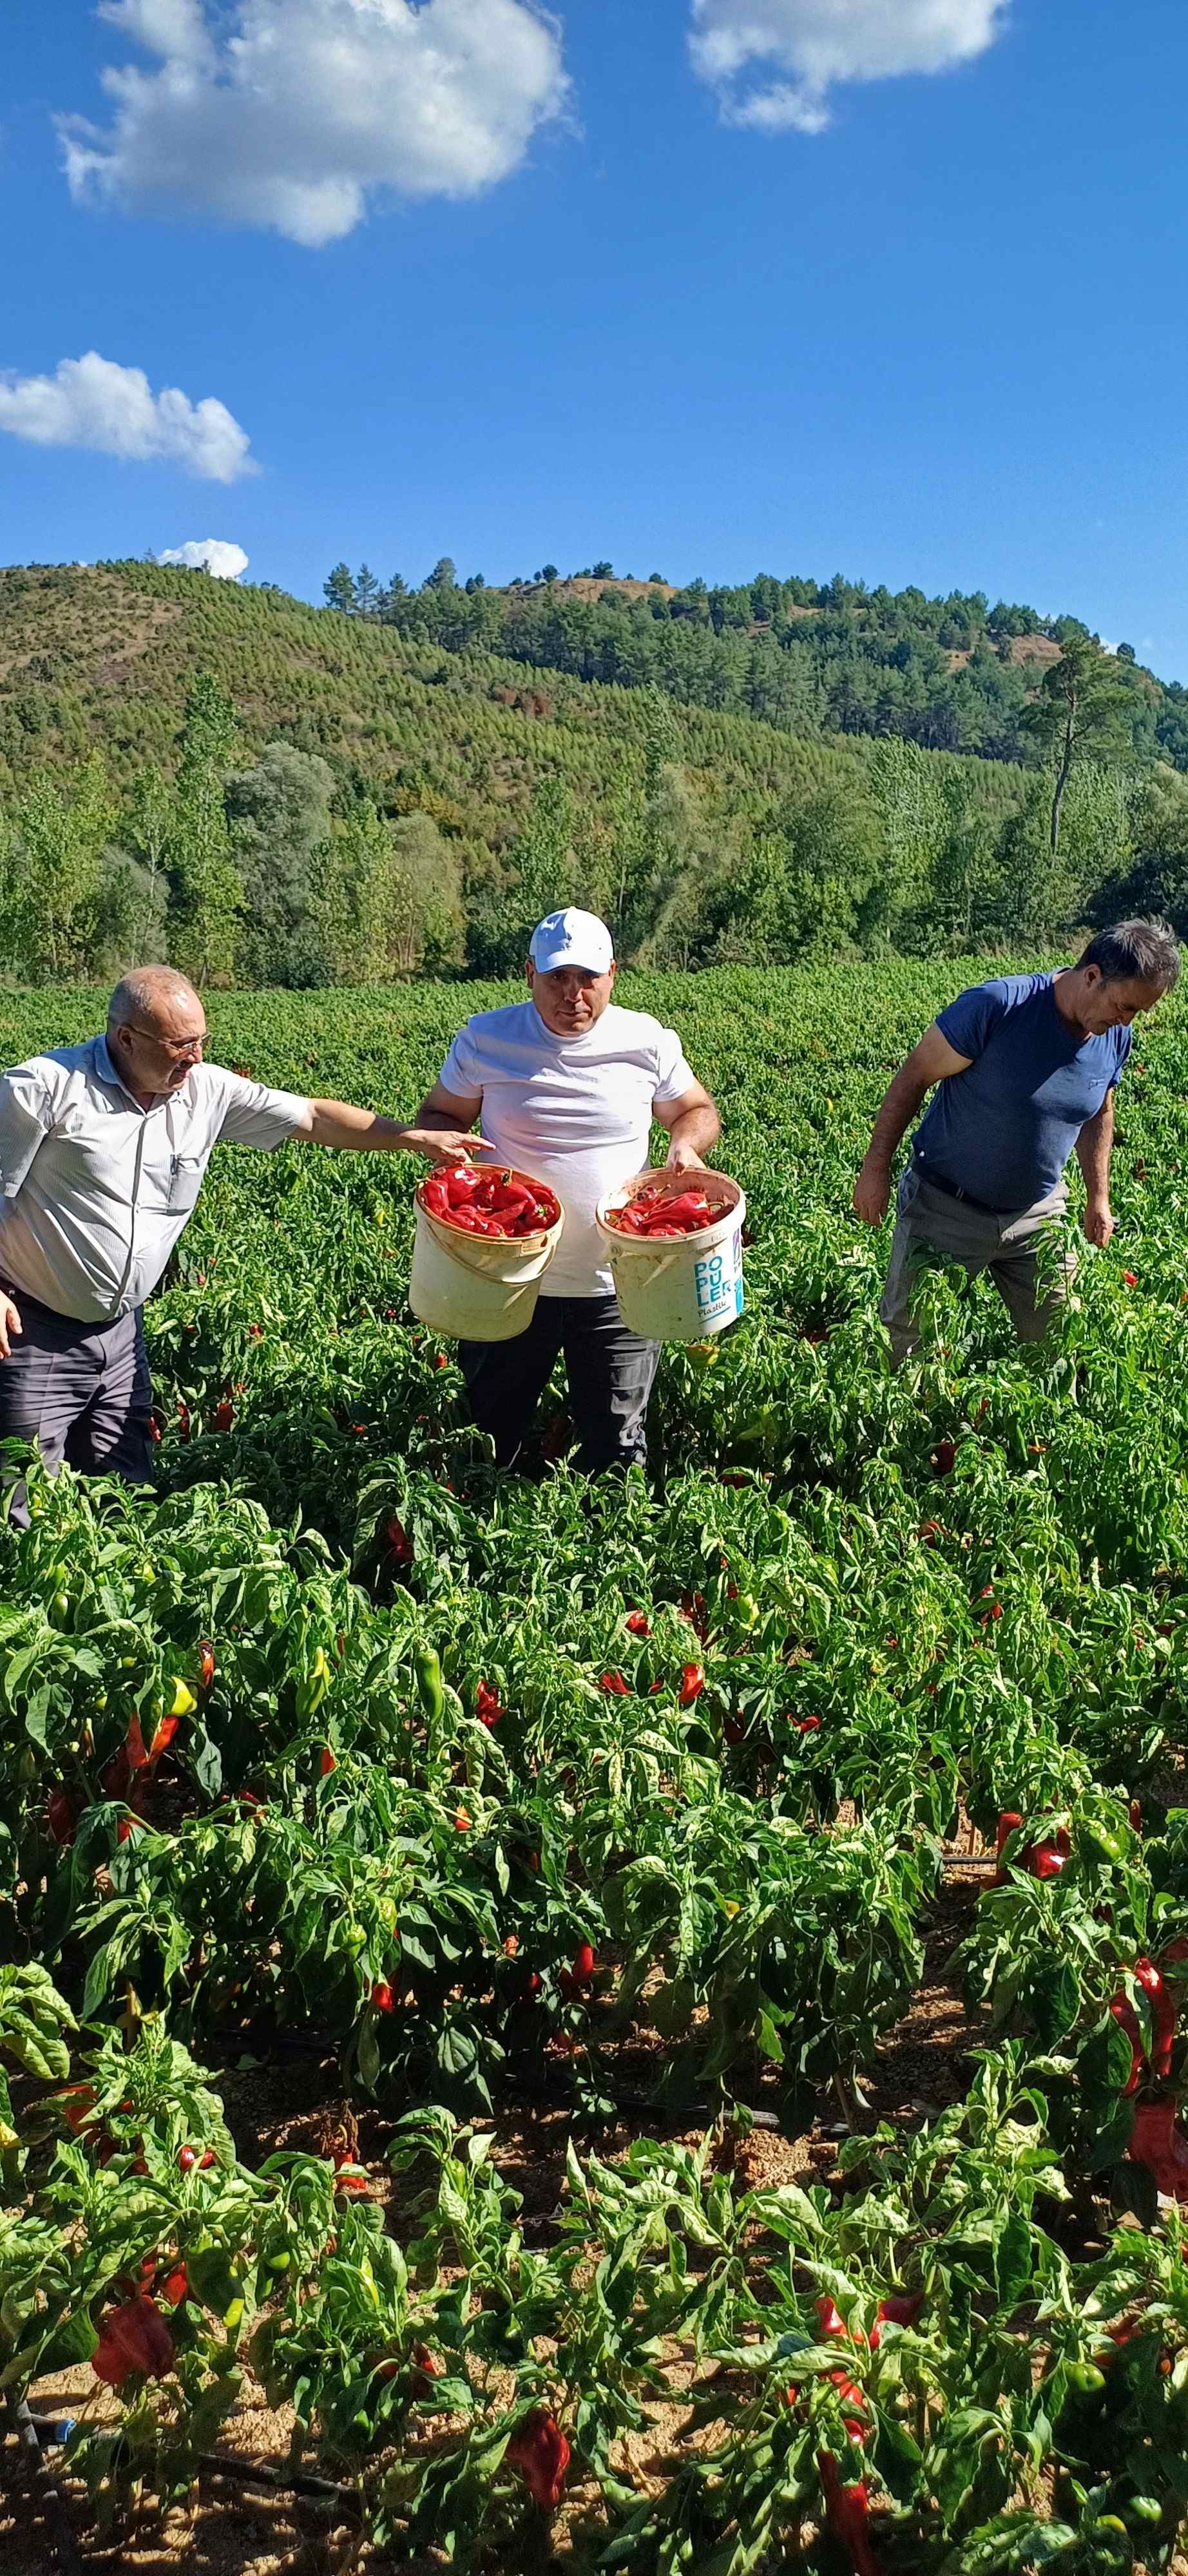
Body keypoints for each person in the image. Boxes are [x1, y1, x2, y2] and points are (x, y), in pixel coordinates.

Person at [0, 967, 479, 1514]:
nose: (196, 1057)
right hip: (33, 1330)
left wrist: (409, 1137)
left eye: (201, 1041)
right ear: (125, 1038)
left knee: (123, 1491)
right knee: (21, 1501)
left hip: (121, 1334)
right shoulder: (46, 1087)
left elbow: (315, 1117)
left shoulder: (205, 1091)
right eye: (181, 1044)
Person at [414, 907, 721, 1471]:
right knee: (490, 1435)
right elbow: (440, 1113)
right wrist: (447, 1144)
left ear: (613, 974)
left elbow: (697, 1110)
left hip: (618, 1282)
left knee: (618, 1442)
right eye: (557, 977)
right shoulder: (486, 1039)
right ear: (529, 973)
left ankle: (612, 1548)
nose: (572, 994)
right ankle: (486, 1541)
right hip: (506, 1278)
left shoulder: (645, 1041)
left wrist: (686, 1144)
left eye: (587, 978)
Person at [852, 919, 1180, 1363]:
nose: (1126, 1021)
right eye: (1124, 1006)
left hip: (1037, 1213)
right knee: (911, 1348)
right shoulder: (999, 1006)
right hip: (946, 1207)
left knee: (1060, 1345)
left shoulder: (1113, 1037)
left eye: (1137, 1013)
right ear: (1092, 976)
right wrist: (876, 1168)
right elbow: (913, 1078)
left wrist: (1098, 1196)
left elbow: (1100, 1111)